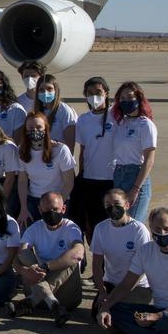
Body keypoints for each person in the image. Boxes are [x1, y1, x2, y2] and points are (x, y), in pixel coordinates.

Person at [7, 191, 84, 326]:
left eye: (55, 209)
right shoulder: (35, 228)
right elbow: (20, 253)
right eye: (47, 210)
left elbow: (79, 252)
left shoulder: (71, 227)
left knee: (72, 258)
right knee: (23, 254)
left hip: (67, 295)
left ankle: (33, 300)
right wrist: (24, 271)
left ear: (63, 209)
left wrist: (46, 266)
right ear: (40, 209)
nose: (51, 213)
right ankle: (53, 304)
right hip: (39, 286)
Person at [89, 189, 150, 315]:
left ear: (126, 205)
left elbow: (142, 267)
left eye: (117, 204)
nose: (113, 208)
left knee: (120, 314)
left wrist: (121, 294)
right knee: (98, 313)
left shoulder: (139, 230)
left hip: (136, 285)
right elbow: (96, 264)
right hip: (112, 283)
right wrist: (102, 291)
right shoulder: (101, 228)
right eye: (108, 205)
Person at [71, 76, 116, 240]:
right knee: (93, 225)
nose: (94, 97)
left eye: (98, 92)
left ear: (106, 93)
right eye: (89, 93)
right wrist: (82, 173)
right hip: (90, 179)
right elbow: (83, 150)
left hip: (111, 179)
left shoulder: (116, 116)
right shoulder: (83, 120)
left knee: (112, 224)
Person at [15, 112, 76, 228]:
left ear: (46, 129)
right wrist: (23, 208)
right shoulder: (21, 151)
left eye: (39, 127)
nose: (35, 131)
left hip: (58, 201)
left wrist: (58, 205)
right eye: (30, 128)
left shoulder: (61, 150)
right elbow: (22, 181)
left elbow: (69, 182)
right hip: (34, 201)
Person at [110, 81, 158, 220]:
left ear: (139, 99)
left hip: (136, 175)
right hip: (119, 174)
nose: (126, 101)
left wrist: (135, 189)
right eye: (122, 98)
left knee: (134, 222)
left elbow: (149, 159)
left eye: (130, 97)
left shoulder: (145, 125)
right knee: (120, 222)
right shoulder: (121, 123)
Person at [29, 74, 78, 148]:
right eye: (41, 89)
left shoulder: (64, 110)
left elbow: (70, 143)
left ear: (56, 90)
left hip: (59, 156)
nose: (45, 92)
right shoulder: (36, 109)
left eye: (49, 89)